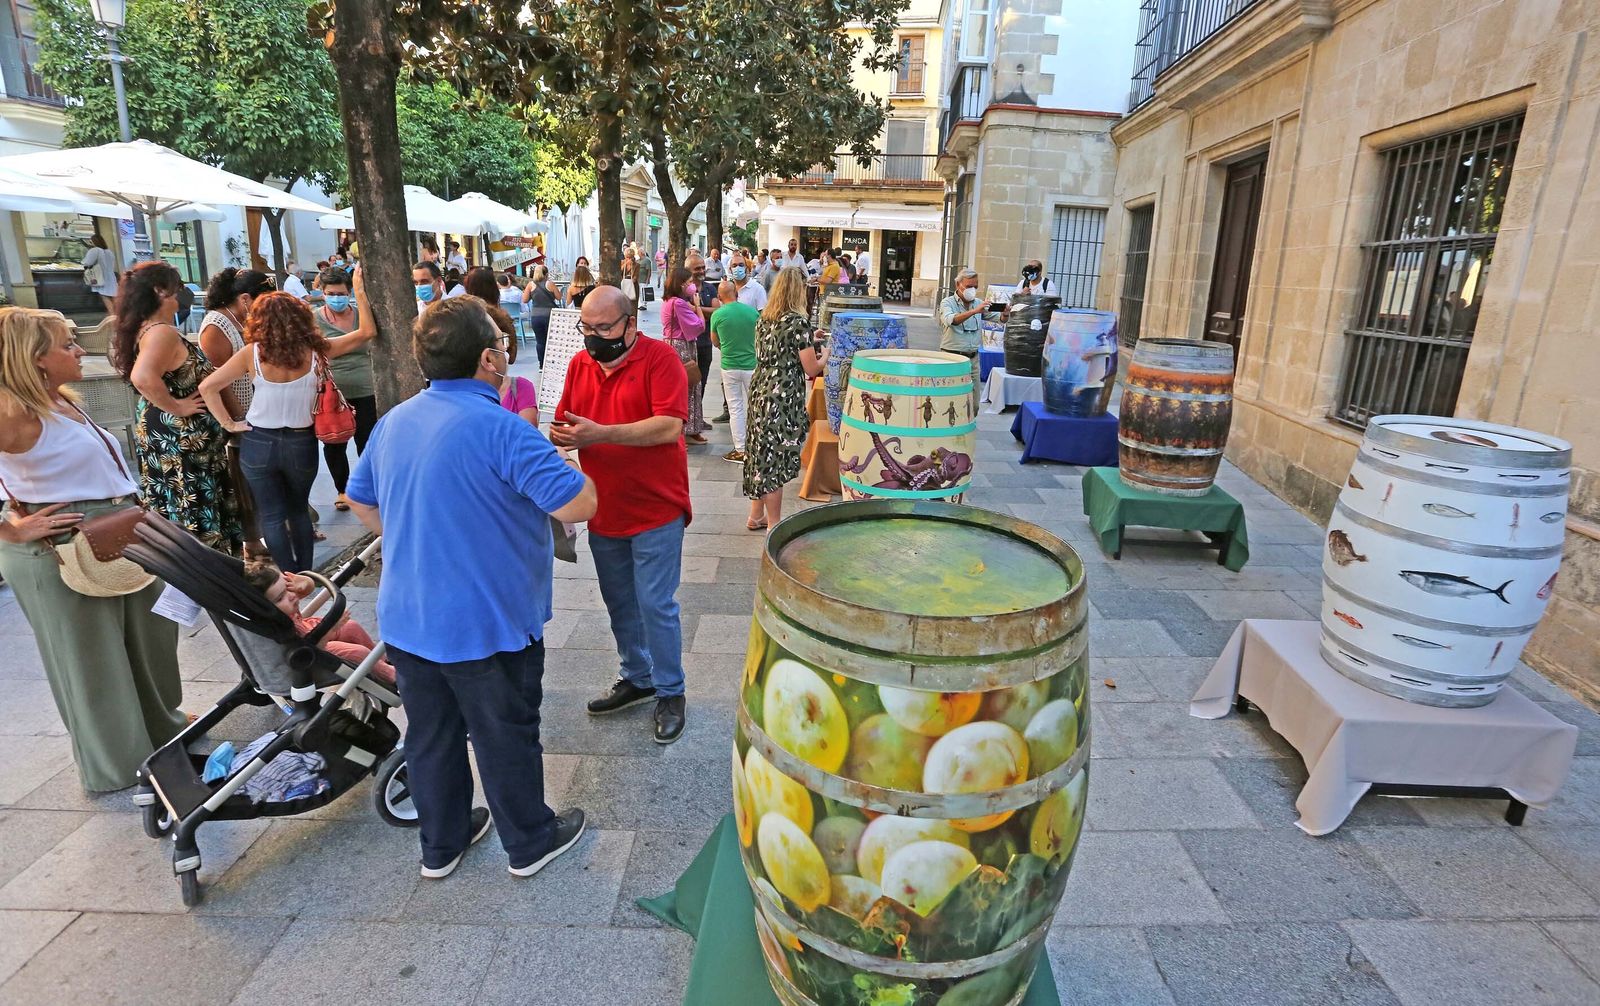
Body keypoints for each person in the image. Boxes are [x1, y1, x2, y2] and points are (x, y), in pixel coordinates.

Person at [346, 296, 596, 880]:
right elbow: (579, 504)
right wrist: (568, 461)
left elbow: (360, 499)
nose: (505, 355)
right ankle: (529, 841)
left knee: (430, 735)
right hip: (489, 620)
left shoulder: (394, 422)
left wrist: (415, 537)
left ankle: (442, 844)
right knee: (504, 734)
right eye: (501, 346)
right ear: (488, 358)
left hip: (409, 616)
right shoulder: (504, 430)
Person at [0, 307, 187, 793]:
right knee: (92, 662)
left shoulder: (57, 399)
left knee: (148, 642)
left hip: (115, 533)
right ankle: (119, 765)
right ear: (35, 358)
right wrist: (10, 529)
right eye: (67, 344)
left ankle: (161, 733)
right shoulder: (14, 412)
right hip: (63, 546)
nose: (81, 349)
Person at [551, 286, 691, 745]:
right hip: (604, 510)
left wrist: (600, 434)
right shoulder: (579, 364)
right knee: (619, 602)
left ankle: (671, 691)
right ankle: (637, 675)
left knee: (655, 603)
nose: (593, 337)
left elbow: (669, 426)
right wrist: (564, 447)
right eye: (586, 327)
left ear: (630, 324)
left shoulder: (660, 359)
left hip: (657, 508)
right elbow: (564, 425)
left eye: (604, 328)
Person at [198, 289, 375, 574]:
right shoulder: (316, 351)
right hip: (300, 441)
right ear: (301, 318)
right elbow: (366, 333)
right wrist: (361, 294)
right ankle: (306, 575)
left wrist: (229, 423)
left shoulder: (252, 353)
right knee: (298, 511)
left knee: (271, 515)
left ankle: (288, 578)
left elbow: (208, 387)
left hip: (258, 439)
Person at [117, 261, 241, 555]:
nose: (181, 295)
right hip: (182, 443)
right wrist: (177, 406)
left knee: (179, 504)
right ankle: (204, 569)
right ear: (160, 292)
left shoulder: (145, 329)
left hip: (174, 438)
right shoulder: (161, 332)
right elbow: (142, 377)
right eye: (177, 289)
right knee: (192, 507)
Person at [198, 267, 275, 553]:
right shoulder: (216, 326)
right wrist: (237, 419)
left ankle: (259, 536)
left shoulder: (244, 320)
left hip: (254, 411)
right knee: (242, 481)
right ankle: (251, 542)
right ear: (245, 299)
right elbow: (218, 381)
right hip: (239, 416)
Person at [743, 267, 824, 531]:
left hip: (760, 389)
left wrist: (811, 339)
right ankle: (774, 524)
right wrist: (827, 354)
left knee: (759, 452)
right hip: (782, 396)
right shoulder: (798, 322)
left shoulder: (764, 318)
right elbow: (811, 368)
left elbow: (781, 346)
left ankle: (756, 515)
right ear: (798, 290)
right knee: (775, 458)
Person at [243, 559, 396, 687]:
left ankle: (384, 661)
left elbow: (306, 589)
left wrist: (304, 583)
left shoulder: (285, 603)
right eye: (280, 598)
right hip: (310, 648)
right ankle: (391, 676)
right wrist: (332, 628)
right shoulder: (279, 624)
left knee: (351, 627)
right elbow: (314, 647)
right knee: (358, 652)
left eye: (288, 587)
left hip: (313, 631)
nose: (291, 596)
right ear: (266, 608)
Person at [312, 267, 379, 511]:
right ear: (322, 293)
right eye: (331, 294)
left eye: (341, 293)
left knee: (367, 442)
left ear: (349, 292)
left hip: (366, 388)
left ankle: (368, 489)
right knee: (334, 444)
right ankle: (342, 490)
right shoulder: (314, 320)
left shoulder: (362, 315)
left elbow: (371, 336)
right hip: (333, 393)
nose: (336, 298)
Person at [710, 280, 758, 464]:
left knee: (735, 407)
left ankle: (740, 449)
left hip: (729, 366)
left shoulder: (718, 314)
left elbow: (715, 341)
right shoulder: (752, 313)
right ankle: (758, 445)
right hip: (751, 365)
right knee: (755, 406)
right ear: (736, 294)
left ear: (719, 297)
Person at [939, 267, 999, 417]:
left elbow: (999, 318)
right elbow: (951, 320)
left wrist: (1005, 313)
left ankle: (968, 427)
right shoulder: (947, 302)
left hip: (973, 359)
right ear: (958, 285)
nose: (972, 290)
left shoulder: (978, 303)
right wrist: (974, 311)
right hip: (952, 358)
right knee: (950, 399)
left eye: (975, 286)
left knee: (974, 404)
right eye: (969, 286)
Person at [660, 267, 709, 445]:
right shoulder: (679, 303)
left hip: (672, 345)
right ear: (681, 284)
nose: (692, 286)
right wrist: (698, 307)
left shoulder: (669, 301)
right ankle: (683, 432)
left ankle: (688, 430)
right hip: (682, 347)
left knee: (683, 387)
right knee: (687, 387)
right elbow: (699, 325)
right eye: (689, 282)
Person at [463, 266, 520, 366]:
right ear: (494, 287)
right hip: (495, 371)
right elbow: (512, 356)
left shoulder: (460, 313)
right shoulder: (501, 317)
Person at [522, 265, 559, 366]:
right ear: (546, 274)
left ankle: (541, 364)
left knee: (540, 341)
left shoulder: (530, 285)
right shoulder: (550, 284)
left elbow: (524, 300)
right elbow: (559, 297)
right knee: (551, 340)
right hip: (550, 316)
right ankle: (552, 362)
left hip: (536, 316)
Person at [81, 233, 119, 315]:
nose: (90, 244)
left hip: (100, 276)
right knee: (112, 297)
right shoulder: (109, 252)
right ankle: (116, 315)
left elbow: (87, 262)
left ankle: (112, 316)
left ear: (94, 242)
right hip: (111, 276)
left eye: (91, 242)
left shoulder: (95, 250)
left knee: (104, 296)